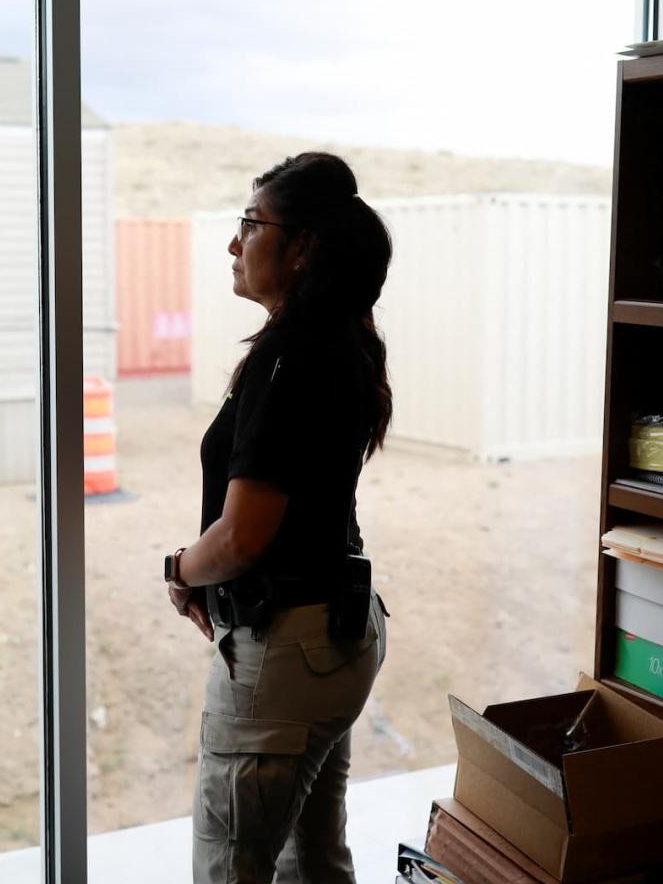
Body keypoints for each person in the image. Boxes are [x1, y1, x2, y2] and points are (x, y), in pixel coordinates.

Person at [162, 152, 394, 883]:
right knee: (314, 865)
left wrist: (178, 570)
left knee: (234, 871)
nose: (234, 243)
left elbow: (240, 538)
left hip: (284, 658)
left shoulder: (288, 360)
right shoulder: (341, 343)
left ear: (302, 249)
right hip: (337, 638)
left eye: (250, 224)